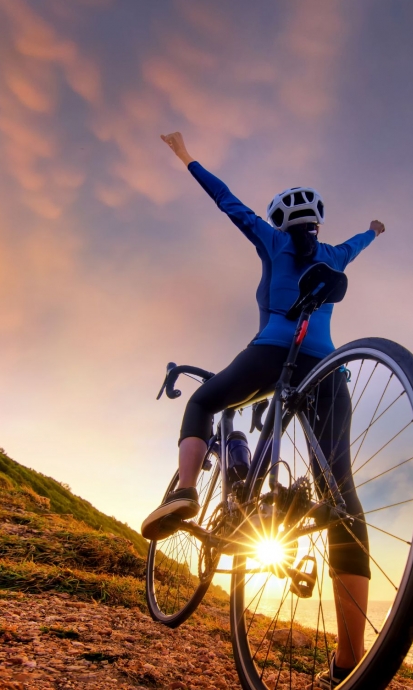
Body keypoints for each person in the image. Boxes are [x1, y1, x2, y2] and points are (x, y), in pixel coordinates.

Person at [141, 131, 384, 682]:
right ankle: (349, 662)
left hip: (271, 353)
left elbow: (228, 202)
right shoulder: (333, 252)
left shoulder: (271, 240)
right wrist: (372, 231)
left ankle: (183, 494)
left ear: (280, 224)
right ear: (317, 226)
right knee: (342, 494)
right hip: (328, 369)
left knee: (202, 401)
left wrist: (186, 158)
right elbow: (356, 245)